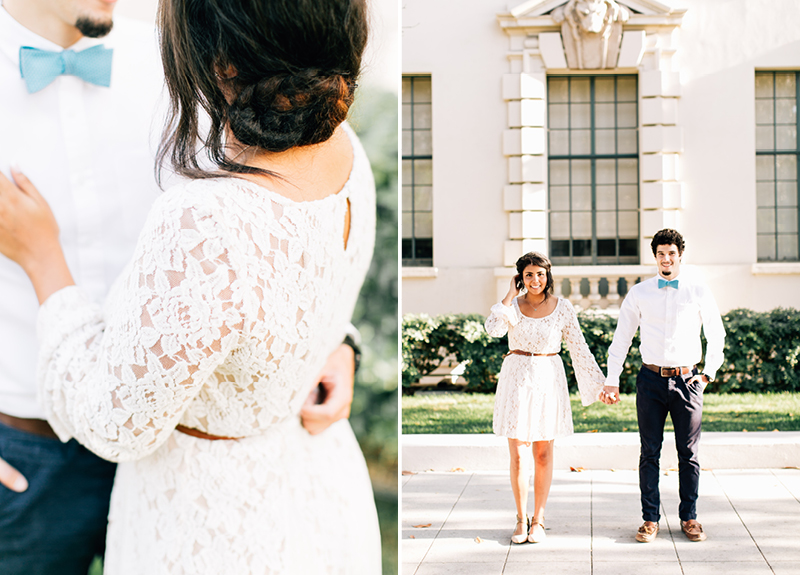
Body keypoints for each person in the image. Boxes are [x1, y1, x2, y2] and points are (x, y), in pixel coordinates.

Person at [0, 0, 380, 572]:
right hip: (28, 451)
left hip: (197, 473)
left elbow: (277, 222)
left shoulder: (205, 61)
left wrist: (333, 340)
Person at [601, 228, 725, 544]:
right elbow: (621, 339)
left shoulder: (698, 291)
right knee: (649, 452)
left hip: (688, 381)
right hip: (651, 381)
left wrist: (708, 373)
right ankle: (650, 519)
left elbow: (716, 334)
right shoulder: (640, 293)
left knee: (689, 453)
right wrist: (611, 380)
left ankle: (689, 517)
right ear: (655, 256)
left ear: (680, 255)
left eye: (671, 253)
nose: (666, 259)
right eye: (660, 254)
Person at [484, 251, 606, 544]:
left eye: (540, 273)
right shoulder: (511, 306)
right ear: (520, 278)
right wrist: (508, 296)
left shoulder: (562, 308)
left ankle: (538, 518)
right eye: (528, 275)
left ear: (548, 275)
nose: (535, 280)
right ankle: (520, 519)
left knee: (542, 452)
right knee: (518, 453)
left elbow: (578, 346)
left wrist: (600, 385)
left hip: (548, 378)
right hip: (516, 378)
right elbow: (493, 330)